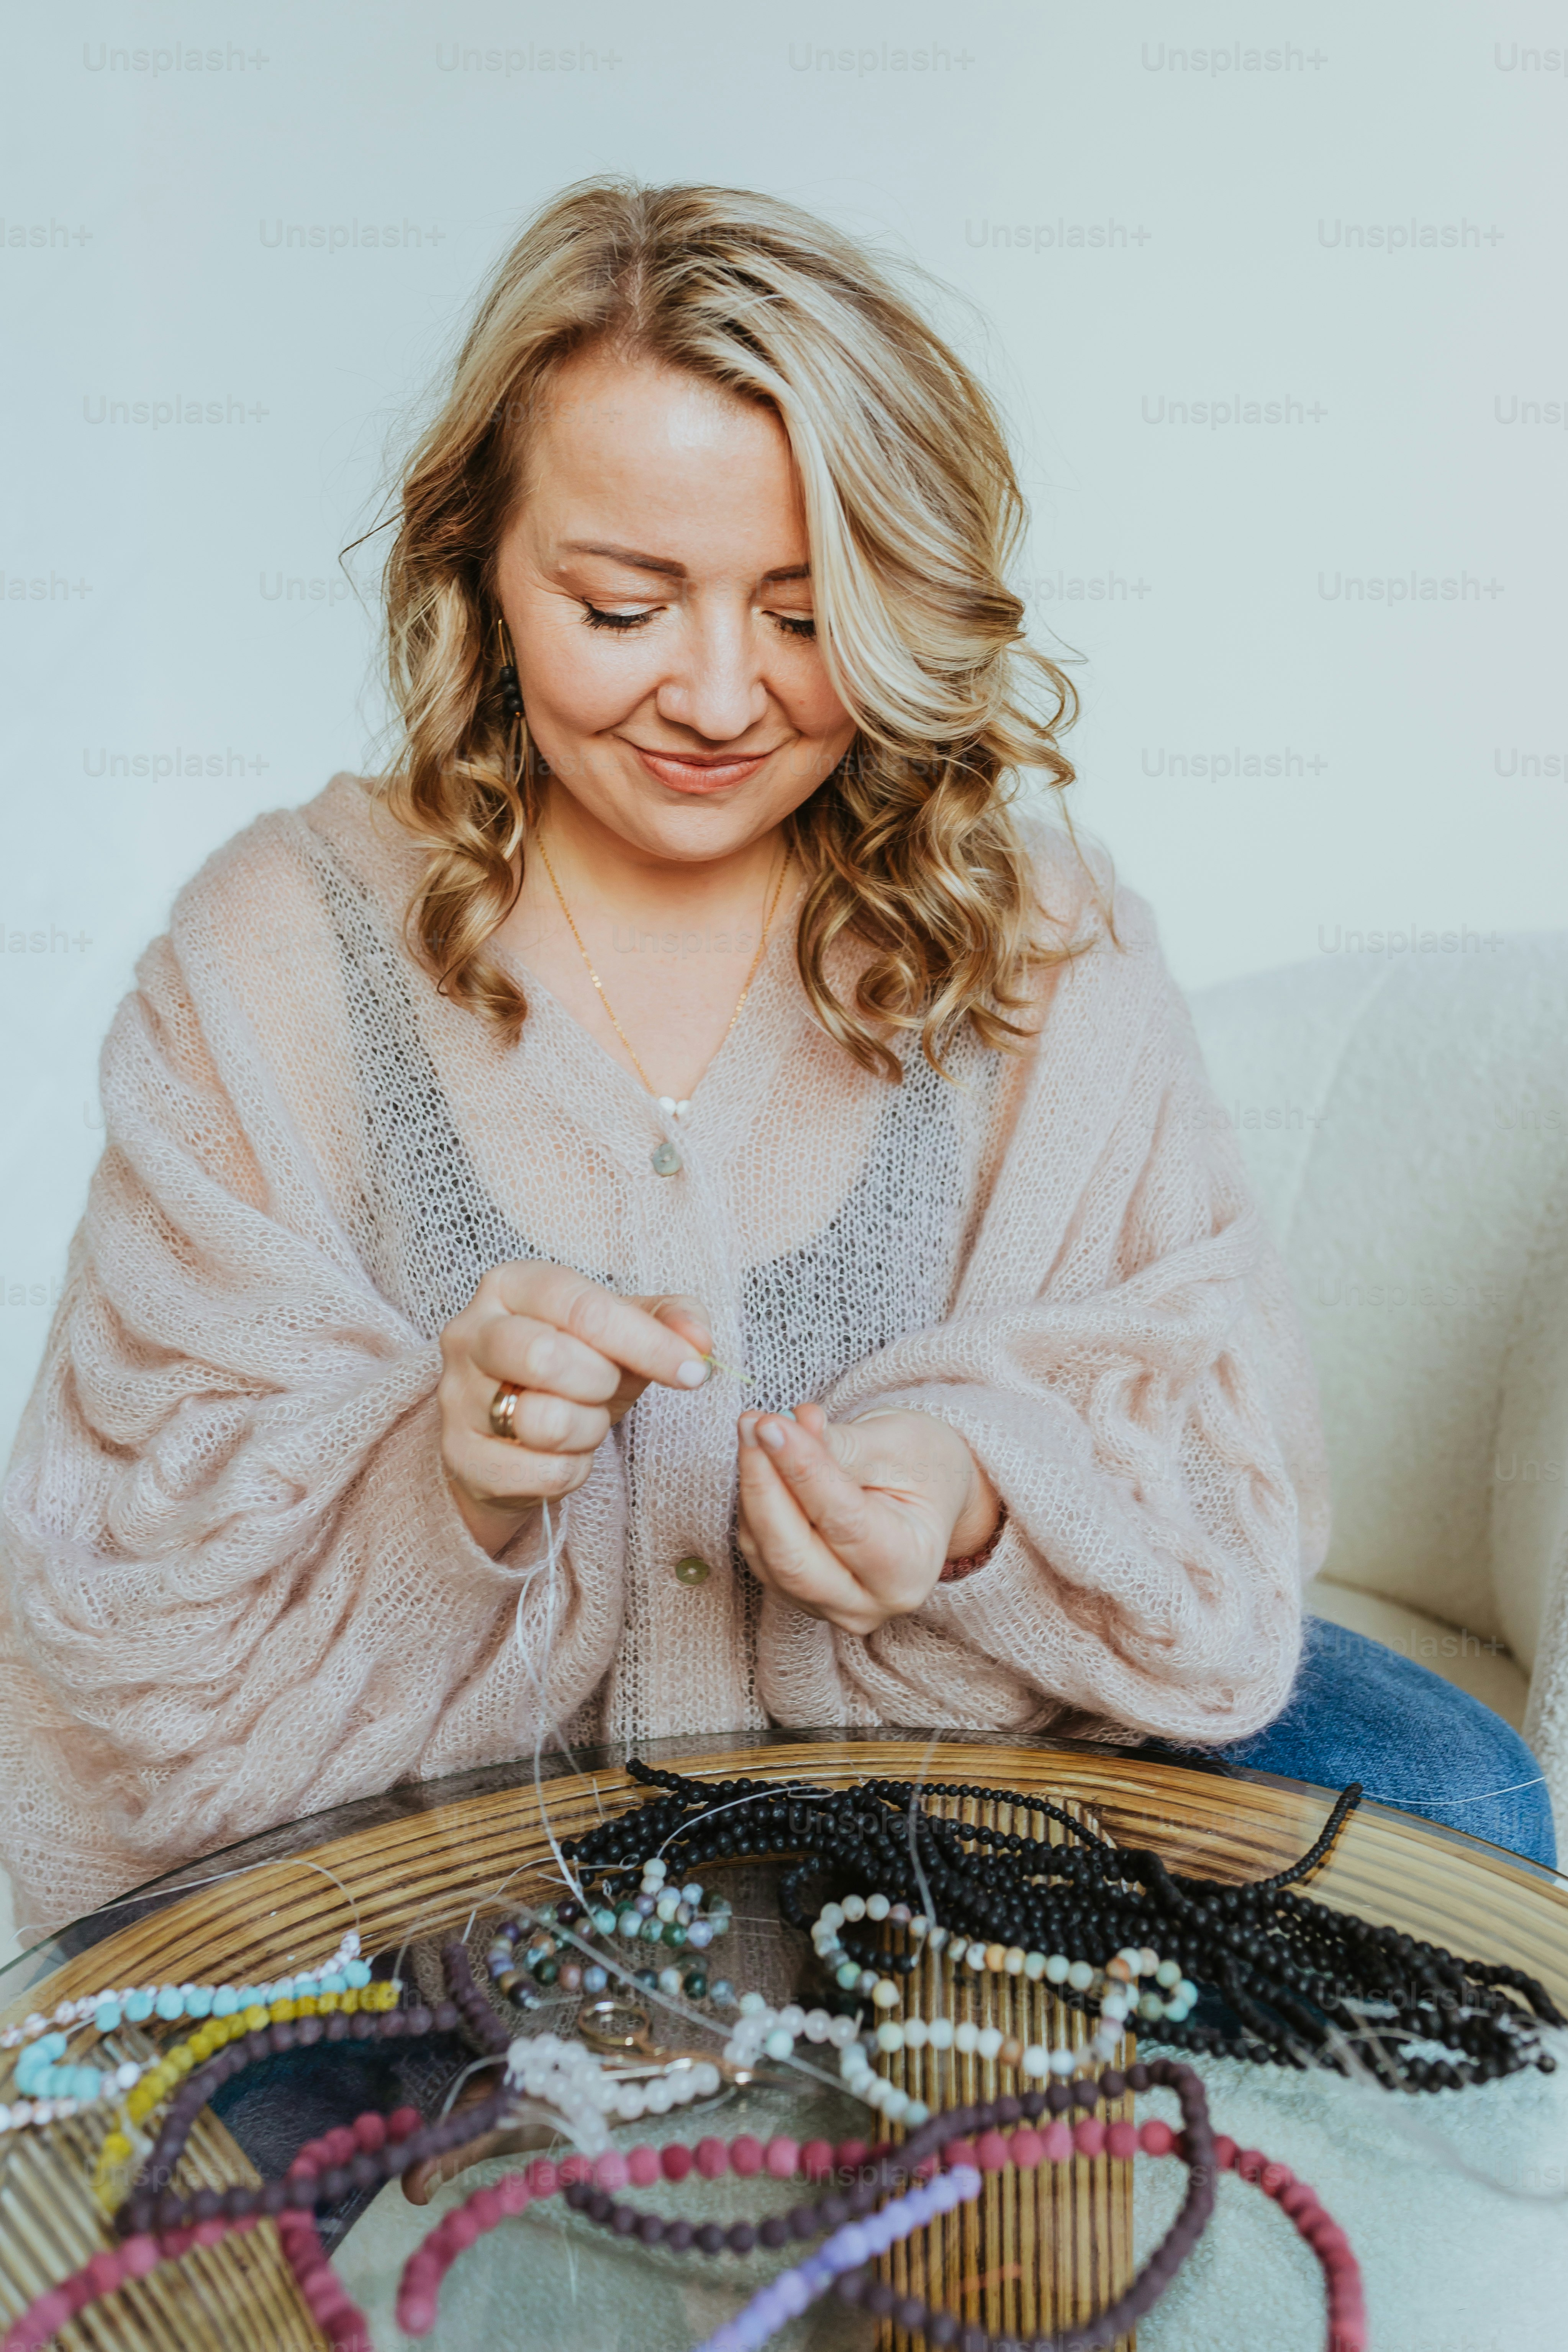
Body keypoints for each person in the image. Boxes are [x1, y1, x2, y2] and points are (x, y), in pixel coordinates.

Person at [0, 181, 1551, 1938]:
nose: (723, 697)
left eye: (807, 616)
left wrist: (971, 1506)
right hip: (448, 1869)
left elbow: (1210, 1443)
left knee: (1454, 1801)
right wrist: (444, 1481)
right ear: (478, 567)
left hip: (965, 1816)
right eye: (622, 604)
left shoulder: (1032, 923)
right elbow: (121, 1585)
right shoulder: (281, 946)